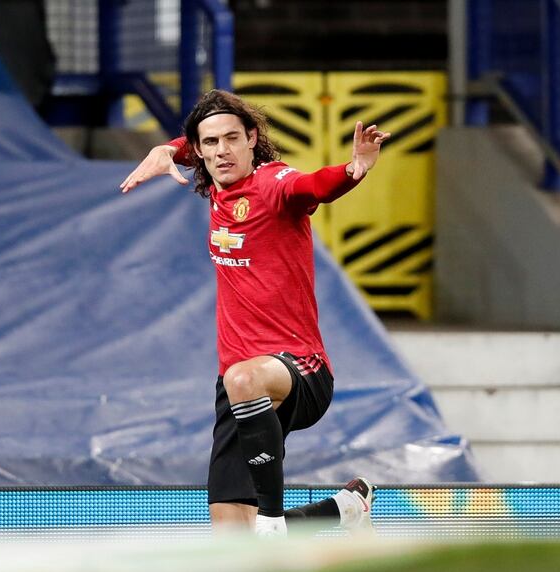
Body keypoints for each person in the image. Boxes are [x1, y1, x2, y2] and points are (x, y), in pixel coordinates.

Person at [120, 90, 390, 536]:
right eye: (210, 143)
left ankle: (272, 514)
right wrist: (167, 149)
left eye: (232, 139)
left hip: (299, 371)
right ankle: (346, 511)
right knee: (233, 539)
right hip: (239, 388)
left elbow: (314, 184)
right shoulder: (217, 179)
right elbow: (196, 143)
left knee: (243, 380)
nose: (221, 150)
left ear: (252, 139)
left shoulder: (274, 183)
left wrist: (352, 170)